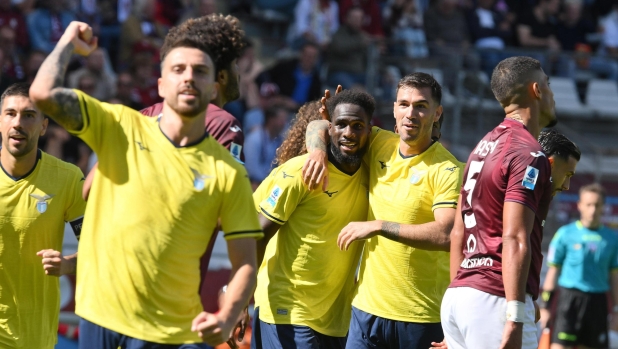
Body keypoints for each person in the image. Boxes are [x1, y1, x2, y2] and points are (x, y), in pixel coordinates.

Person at [29, 19, 262, 349]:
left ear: (213, 84)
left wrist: (227, 316)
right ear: (161, 83)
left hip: (159, 318)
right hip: (108, 308)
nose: (188, 78)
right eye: (178, 69)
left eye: (199, 70)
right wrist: (68, 40)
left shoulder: (223, 170)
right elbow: (43, 94)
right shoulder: (122, 125)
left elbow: (245, 260)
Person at [303, 73, 463, 349]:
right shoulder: (379, 142)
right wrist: (318, 152)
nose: (410, 113)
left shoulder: (448, 169)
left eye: (421, 106)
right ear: (394, 108)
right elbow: (320, 124)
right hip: (366, 311)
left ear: (437, 113)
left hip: (419, 317)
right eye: (404, 104)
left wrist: (378, 226)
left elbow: (445, 234)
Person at [443, 56, 557, 349]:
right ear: (537, 89)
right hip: (494, 298)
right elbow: (515, 237)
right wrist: (515, 316)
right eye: (548, 84)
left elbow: (458, 233)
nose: (552, 92)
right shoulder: (528, 154)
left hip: (459, 294)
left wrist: (456, 299)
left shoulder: (481, 147)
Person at [251, 90, 373, 349]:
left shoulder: (371, 174)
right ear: (330, 128)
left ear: (370, 130)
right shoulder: (300, 171)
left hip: (336, 319)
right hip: (287, 311)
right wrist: (240, 301)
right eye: (341, 124)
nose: (349, 133)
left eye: (357, 126)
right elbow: (256, 235)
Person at [0, 82, 86, 349]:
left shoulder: (68, 178)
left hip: (33, 337)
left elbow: (103, 248)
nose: (18, 123)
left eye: (29, 115)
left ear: (44, 126)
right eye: (10, 114)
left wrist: (70, 265)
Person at [542, 184, 618, 349]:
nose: (593, 210)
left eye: (597, 205)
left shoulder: (612, 239)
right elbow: (553, 271)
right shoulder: (565, 234)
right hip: (569, 301)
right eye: (589, 204)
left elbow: (614, 277)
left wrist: (616, 310)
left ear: (603, 207)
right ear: (580, 205)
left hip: (597, 303)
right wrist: (545, 307)